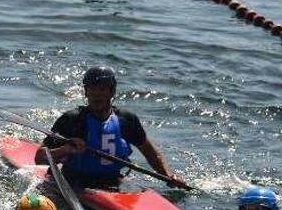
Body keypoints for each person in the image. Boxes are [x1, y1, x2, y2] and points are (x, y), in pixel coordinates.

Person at [36, 67, 186, 188]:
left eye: (102, 89)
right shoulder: (72, 120)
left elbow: (149, 151)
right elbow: (39, 158)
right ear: (86, 92)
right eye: (92, 89)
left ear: (112, 92)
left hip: (112, 183)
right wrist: (66, 149)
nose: (96, 95)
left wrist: (168, 176)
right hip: (73, 182)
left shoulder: (126, 120)